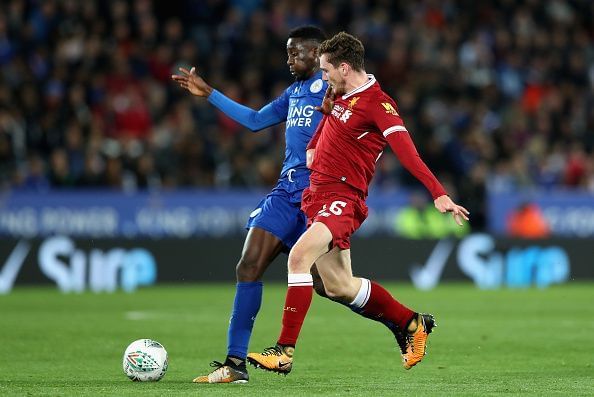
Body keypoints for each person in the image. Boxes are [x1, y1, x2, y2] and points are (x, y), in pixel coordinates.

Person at [247, 32, 469, 374]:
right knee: (338, 286)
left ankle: (284, 351)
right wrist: (318, 136)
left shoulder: (378, 104)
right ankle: (412, 323)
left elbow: (406, 151)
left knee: (298, 257)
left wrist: (438, 192)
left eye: (326, 70)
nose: (323, 77)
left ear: (345, 68)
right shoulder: (340, 97)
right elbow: (321, 139)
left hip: (341, 198)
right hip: (315, 197)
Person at [171, 26, 329, 384]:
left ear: (318, 53)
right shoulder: (295, 92)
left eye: (295, 53)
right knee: (248, 266)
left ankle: (401, 321)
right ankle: (235, 363)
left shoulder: (337, 90)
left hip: (318, 197)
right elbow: (257, 121)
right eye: (287, 53)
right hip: (285, 194)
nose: (288, 59)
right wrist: (210, 93)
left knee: (330, 286)